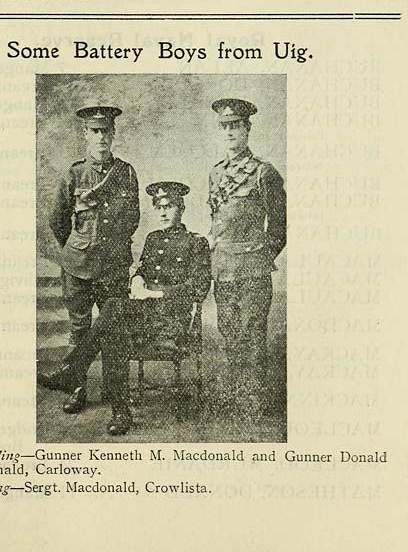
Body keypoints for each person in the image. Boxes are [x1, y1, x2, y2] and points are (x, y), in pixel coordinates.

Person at [39, 180, 211, 435]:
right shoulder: (153, 239)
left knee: (112, 309)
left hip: (173, 320)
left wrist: (157, 293)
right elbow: (141, 270)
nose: (163, 212)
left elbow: (198, 288)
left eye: (169, 206)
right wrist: (137, 280)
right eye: (158, 207)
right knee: (113, 328)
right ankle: (121, 414)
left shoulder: (196, 243)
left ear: (181, 208)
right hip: (146, 315)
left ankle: (73, 371)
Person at [37, 103, 140, 410]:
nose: (101, 137)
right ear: (85, 134)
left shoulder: (126, 172)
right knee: (80, 329)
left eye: (106, 131)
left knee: (113, 331)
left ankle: (113, 391)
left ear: (114, 133)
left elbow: (133, 217)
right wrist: (77, 246)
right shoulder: (75, 173)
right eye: (95, 131)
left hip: (113, 267)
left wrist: (111, 248)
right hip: (78, 267)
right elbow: (58, 219)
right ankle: (77, 389)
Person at [208, 98, 286, 419]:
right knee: (229, 332)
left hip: (253, 269)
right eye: (224, 126)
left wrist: (262, 256)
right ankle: (237, 394)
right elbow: (216, 221)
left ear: (247, 129)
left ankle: (255, 400)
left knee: (254, 333)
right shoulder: (215, 174)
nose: (229, 131)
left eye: (235, 126)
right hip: (223, 269)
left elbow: (279, 226)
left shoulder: (263, 173)